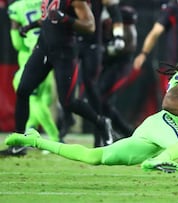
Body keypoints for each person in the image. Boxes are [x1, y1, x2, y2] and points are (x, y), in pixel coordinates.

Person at [4, 44, 178, 173]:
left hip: (155, 134)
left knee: (94, 157)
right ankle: (159, 161)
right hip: (164, 124)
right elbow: (169, 103)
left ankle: (33, 140)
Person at [4, 0, 114, 155]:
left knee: (68, 102)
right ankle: (19, 143)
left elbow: (90, 26)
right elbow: (49, 19)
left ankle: (102, 122)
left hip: (65, 53)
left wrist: (66, 18)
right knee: (23, 89)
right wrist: (31, 26)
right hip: (43, 48)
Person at [58, 0, 129, 147]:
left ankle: (100, 135)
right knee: (65, 86)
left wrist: (118, 36)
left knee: (91, 87)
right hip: (70, 42)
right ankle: (66, 121)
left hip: (92, 43)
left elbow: (115, 12)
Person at [0, 0, 60, 156]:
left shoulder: (16, 7)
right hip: (48, 52)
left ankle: (54, 138)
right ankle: (27, 136)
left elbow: (17, 44)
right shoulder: (45, 2)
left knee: (32, 99)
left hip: (33, 56)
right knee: (37, 101)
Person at [98, 5, 139, 140]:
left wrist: (104, 50)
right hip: (110, 68)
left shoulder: (127, 31)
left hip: (120, 69)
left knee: (103, 101)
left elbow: (123, 50)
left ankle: (124, 132)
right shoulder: (109, 24)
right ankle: (123, 132)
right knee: (102, 102)